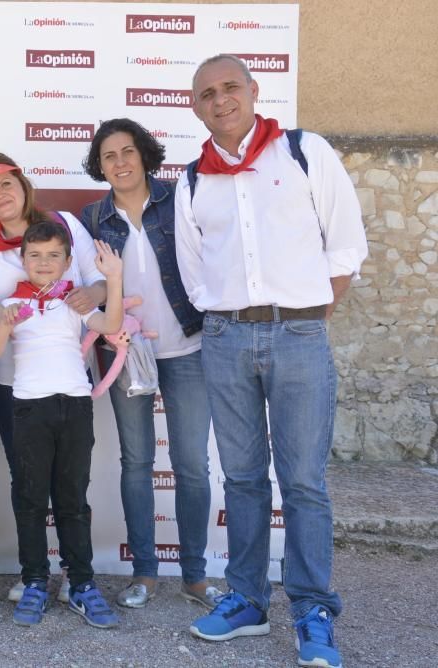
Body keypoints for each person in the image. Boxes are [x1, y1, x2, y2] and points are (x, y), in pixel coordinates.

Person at [174, 54, 367, 668]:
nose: (220, 99)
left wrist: (307, 319)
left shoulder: (306, 152)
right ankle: (248, 601)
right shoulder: (192, 181)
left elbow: (345, 248)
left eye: (231, 87)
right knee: (243, 479)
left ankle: (312, 609)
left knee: (305, 481)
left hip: (299, 336)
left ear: (254, 91)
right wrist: (229, 321)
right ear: (196, 106)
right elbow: (192, 270)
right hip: (227, 339)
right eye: (207, 93)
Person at [79, 118, 222, 610]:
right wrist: (97, 294)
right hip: (126, 354)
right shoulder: (92, 217)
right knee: (137, 463)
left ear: (144, 154)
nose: (119, 163)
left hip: (188, 348)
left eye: (126, 152)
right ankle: (144, 572)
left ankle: (196, 575)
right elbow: (88, 283)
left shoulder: (179, 198)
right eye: (108, 157)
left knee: (192, 466)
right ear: (99, 167)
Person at [0, 152, 108, 602]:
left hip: (64, 378)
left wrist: (92, 294)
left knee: (68, 484)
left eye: (7, 184)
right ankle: (34, 574)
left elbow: (98, 280)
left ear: (24, 186)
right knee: (28, 481)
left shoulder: (64, 223)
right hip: (10, 383)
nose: (0, 196)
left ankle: (75, 576)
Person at [0, 222, 125, 628]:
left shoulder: (74, 301)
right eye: (35, 255)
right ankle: (34, 582)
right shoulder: (11, 302)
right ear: (22, 260)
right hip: (28, 408)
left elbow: (110, 327)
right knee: (29, 498)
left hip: (76, 406)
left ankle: (81, 584)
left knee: (72, 498)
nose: (44, 263)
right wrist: (5, 323)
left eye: (53, 256)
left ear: (66, 262)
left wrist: (113, 280)